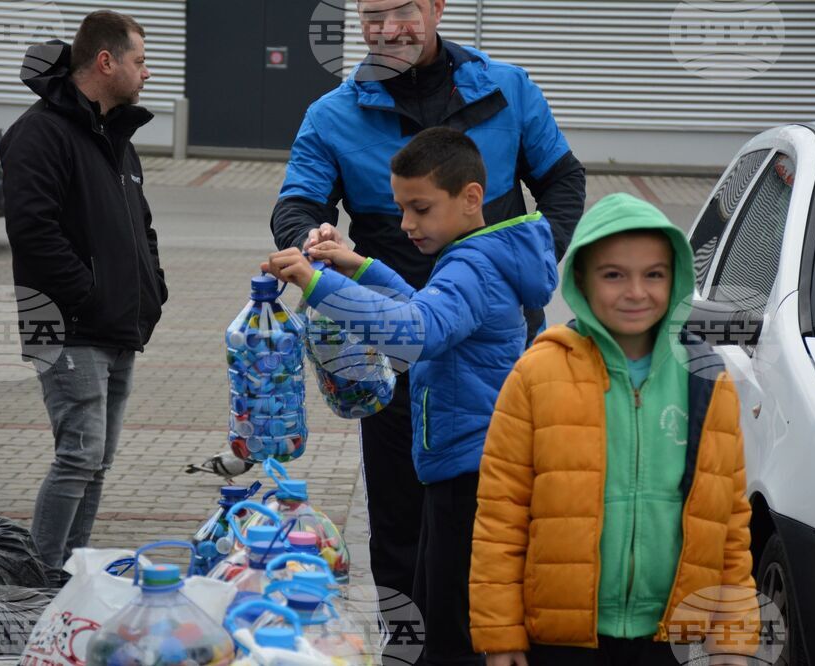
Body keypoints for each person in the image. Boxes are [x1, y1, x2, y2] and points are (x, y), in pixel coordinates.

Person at [271, 0, 586, 604]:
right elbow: (297, 203)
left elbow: (563, 182)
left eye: (404, 11)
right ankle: (409, 638)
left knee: (500, 513)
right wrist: (308, 241)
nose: (387, 29)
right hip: (390, 351)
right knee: (398, 517)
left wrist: (529, 258)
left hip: (501, 352)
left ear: (438, 7)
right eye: (371, 16)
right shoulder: (331, 114)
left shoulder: (508, 89)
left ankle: (490, 634)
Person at [265, 127, 558, 666]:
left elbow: (418, 331)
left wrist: (317, 283)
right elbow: (429, 307)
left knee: (449, 633)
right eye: (401, 208)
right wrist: (364, 268)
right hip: (460, 463)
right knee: (433, 610)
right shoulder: (476, 255)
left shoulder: (473, 265)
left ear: (471, 198)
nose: (406, 224)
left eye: (420, 208)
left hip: (472, 473)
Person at [469, 193, 758, 666]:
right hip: (563, 640)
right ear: (581, 279)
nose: (636, 292)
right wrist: (500, 634)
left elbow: (728, 523)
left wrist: (733, 633)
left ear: (676, 277)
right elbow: (501, 517)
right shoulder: (536, 375)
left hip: (674, 638)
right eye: (613, 275)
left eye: (654, 275)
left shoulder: (707, 380)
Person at [0, 10, 167, 583]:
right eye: (140, 60)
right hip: (66, 324)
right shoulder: (39, 133)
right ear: (105, 61)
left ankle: (71, 577)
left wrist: (153, 288)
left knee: (97, 462)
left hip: (117, 324)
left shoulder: (116, 135)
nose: (147, 73)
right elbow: (32, 231)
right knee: (78, 455)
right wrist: (91, 295)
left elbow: (140, 225)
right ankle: (37, 581)